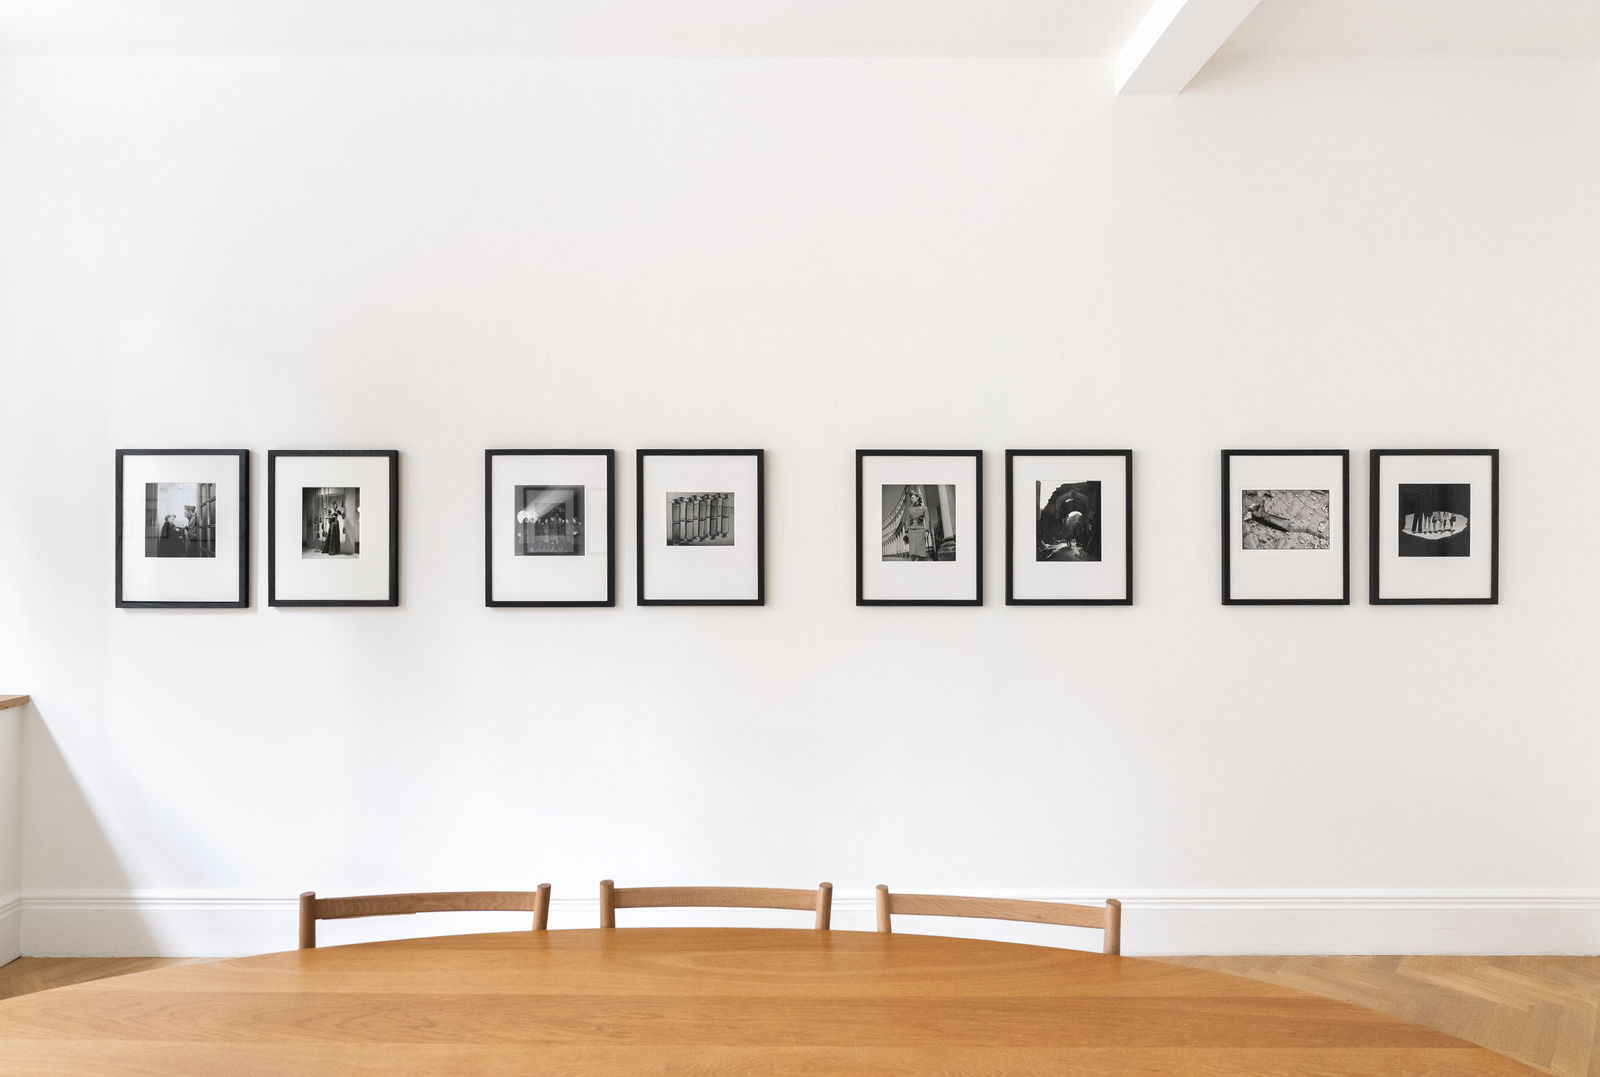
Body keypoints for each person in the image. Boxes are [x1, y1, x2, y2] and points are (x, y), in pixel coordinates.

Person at [904, 487, 931, 561]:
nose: (911, 499)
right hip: (911, 531)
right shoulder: (909, 509)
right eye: (911, 498)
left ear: (917, 497)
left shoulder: (924, 508)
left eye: (912, 498)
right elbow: (907, 520)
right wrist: (906, 531)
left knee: (921, 551)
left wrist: (927, 530)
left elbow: (927, 519)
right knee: (912, 551)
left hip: (921, 531)